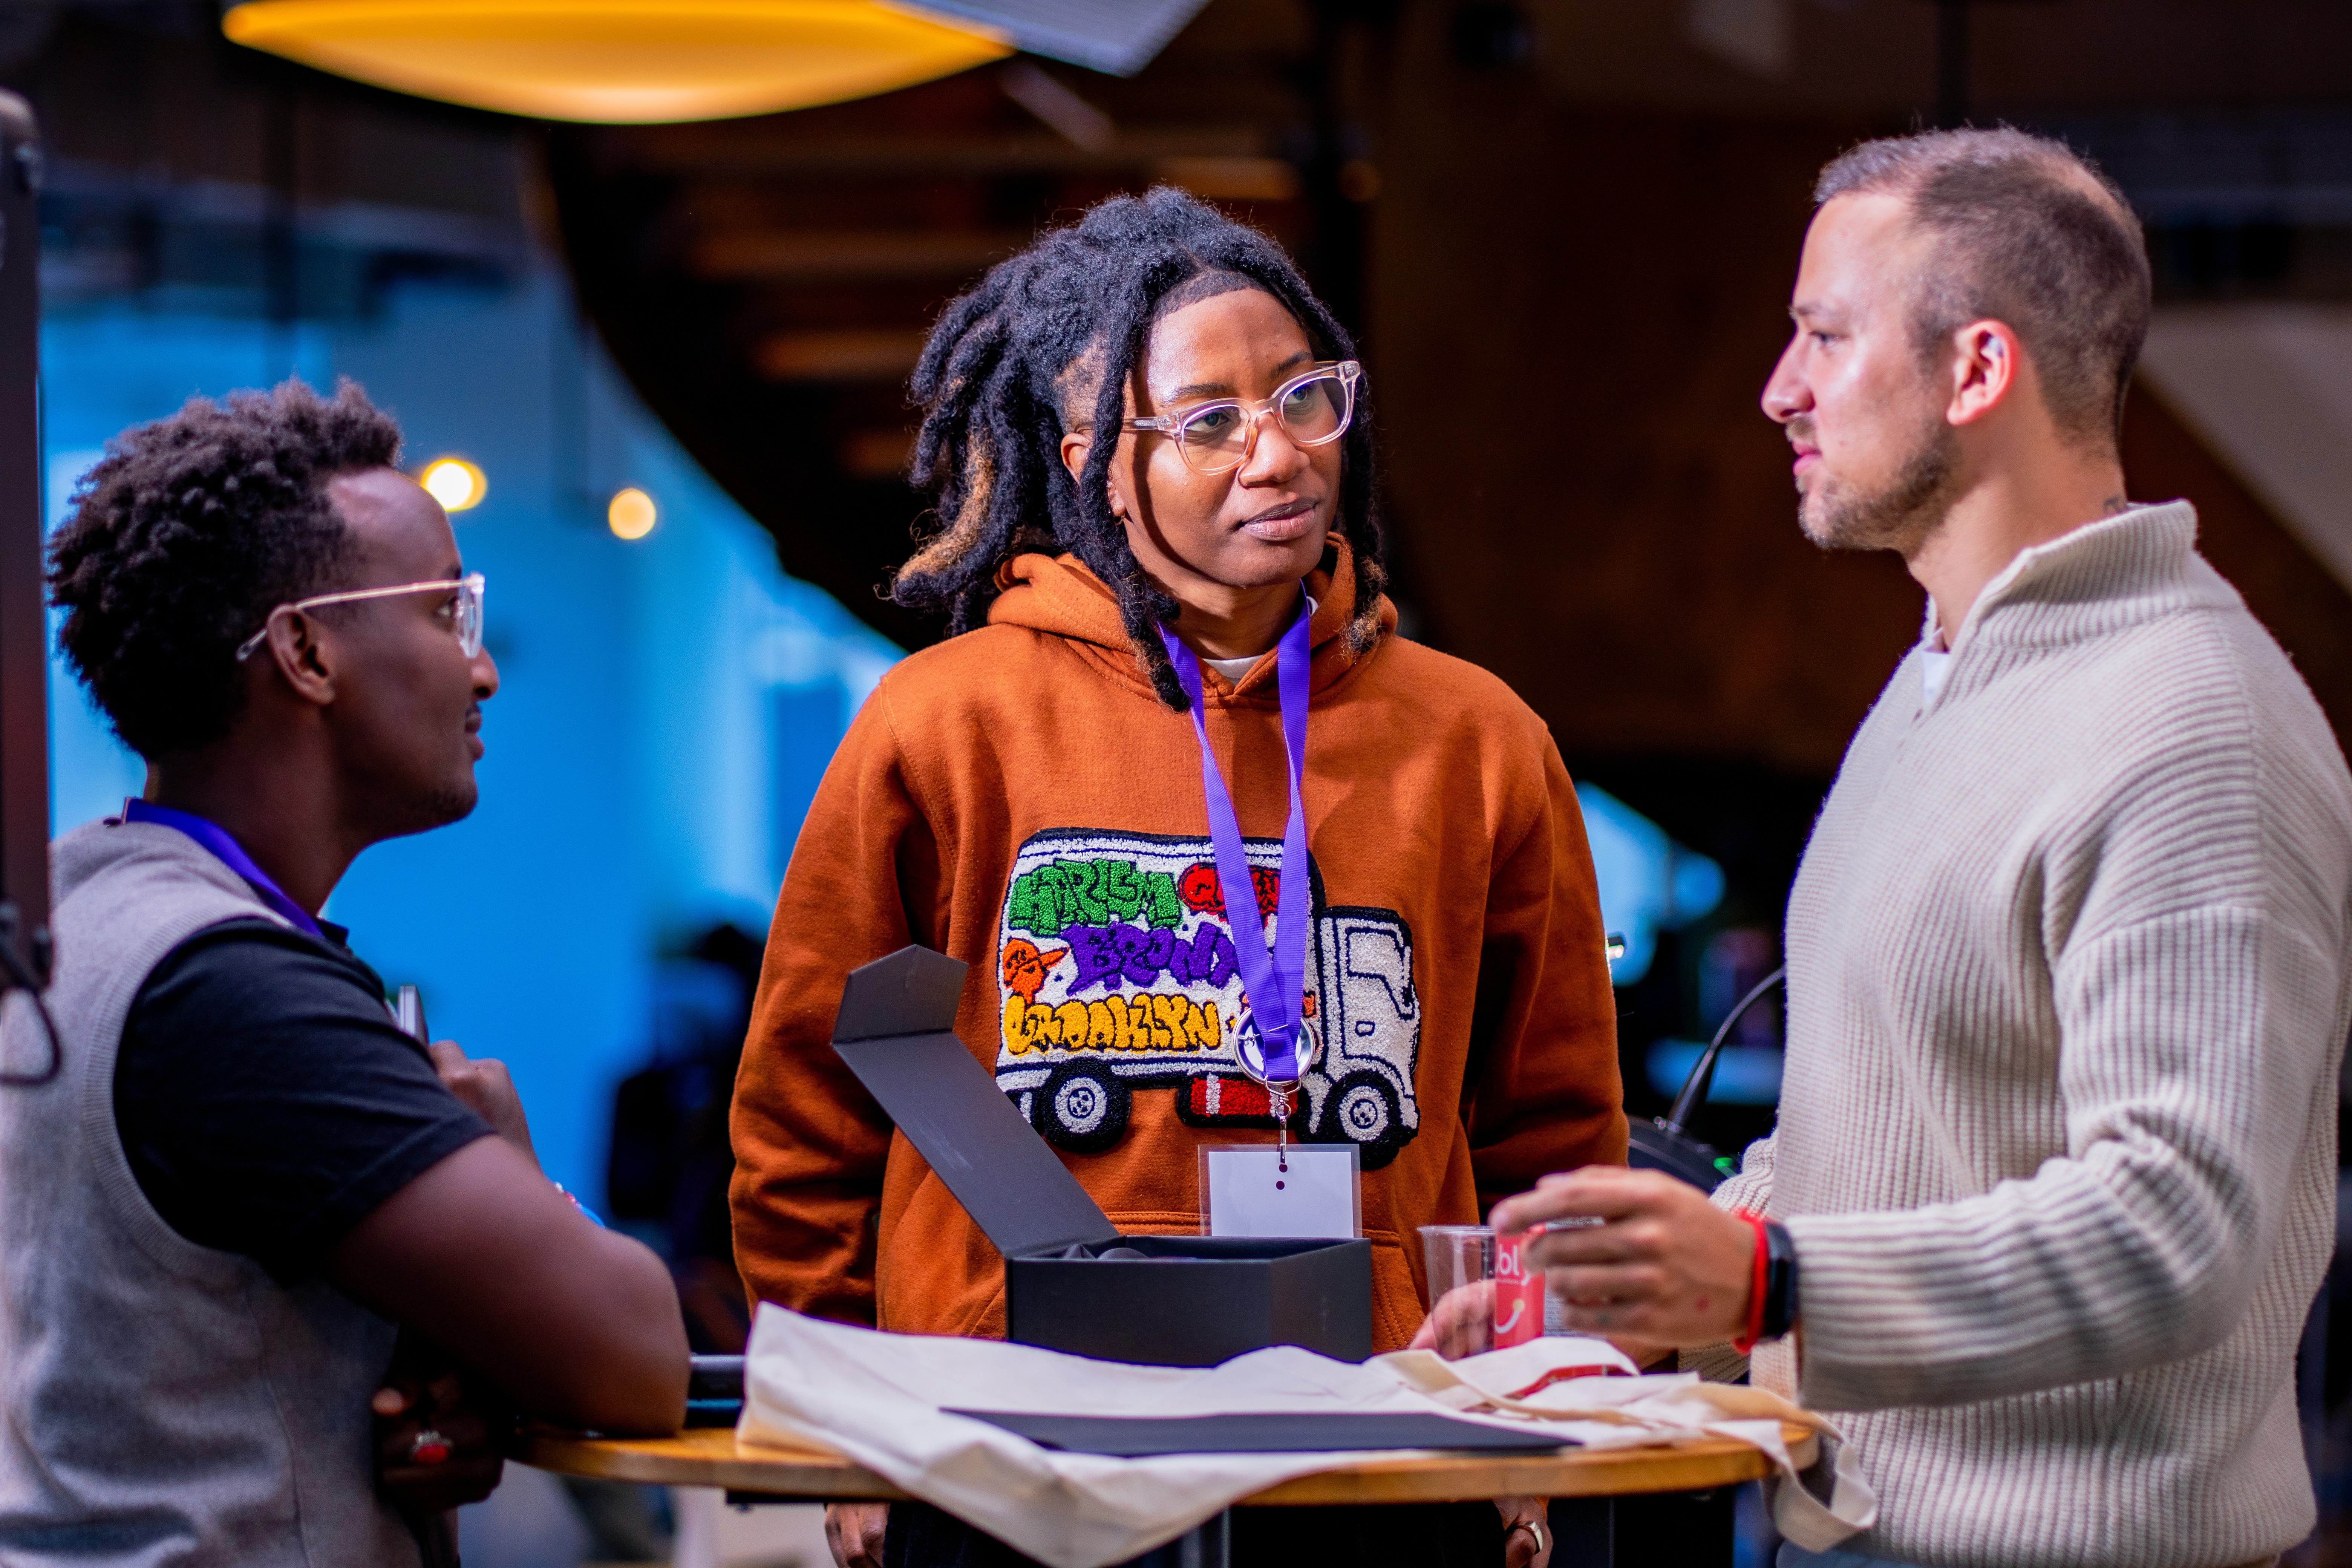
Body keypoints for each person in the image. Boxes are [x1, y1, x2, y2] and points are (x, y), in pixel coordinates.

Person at [729, 188, 1625, 1568]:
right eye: (1208, 424)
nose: (1275, 455)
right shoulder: (941, 722)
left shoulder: (1482, 741)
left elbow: (1549, 1132)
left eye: (1305, 400)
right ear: (1093, 458)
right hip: (1001, 1437)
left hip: (1380, 1439)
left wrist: (1532, 1407)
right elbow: (808, 1111)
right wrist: (852, 1422)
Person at [1493, 127, 2352, 1567]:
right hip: (1855, 1527)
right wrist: (1627, 1294)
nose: (1780, 390)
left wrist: (1768, 1275)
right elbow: (1889, 1145)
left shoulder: (2191, 725)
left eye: (1825, 335)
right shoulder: (1948, 675)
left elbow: (2178, 1232)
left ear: (1977, 372)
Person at [0, 380, 689, 1564]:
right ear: (307, 651)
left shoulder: (68, 912)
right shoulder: (233, 998)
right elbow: (636, 1359)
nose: (483, 674)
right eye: (445, 613)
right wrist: (514, 1174)